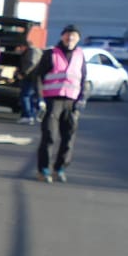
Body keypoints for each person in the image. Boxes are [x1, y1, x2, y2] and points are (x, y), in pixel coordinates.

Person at [34, 24, 86, 182]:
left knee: (68, 138)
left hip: (71, 103)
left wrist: (81, 99)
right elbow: (37, 76)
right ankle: (43, 170)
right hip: (52, 101)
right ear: (62, 36)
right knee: (49, 136)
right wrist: (40, 99)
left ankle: (60, 168)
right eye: (67, 35)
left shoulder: (80, 55)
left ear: (78, 39)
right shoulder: (51, 54)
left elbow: (83, 79)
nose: (70, 39)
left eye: (74, 36)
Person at [15, 37, 44, 124]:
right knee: (30, 97)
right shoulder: (32, 51)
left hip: (31, 78)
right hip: (32, 78)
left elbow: (31, 64)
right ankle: (32, 115)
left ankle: (27, 115)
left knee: (25, 96)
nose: (20, 49)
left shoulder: (32, 51)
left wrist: (23, 73)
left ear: (24, 46)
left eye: (20, 47)